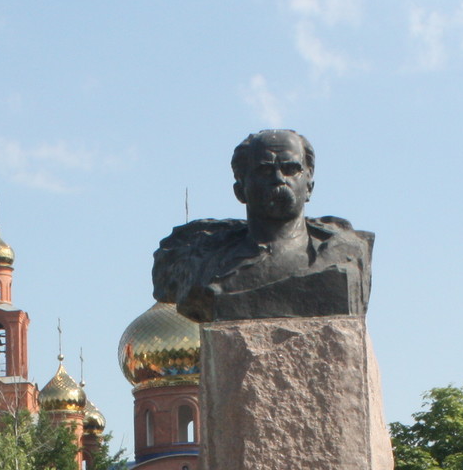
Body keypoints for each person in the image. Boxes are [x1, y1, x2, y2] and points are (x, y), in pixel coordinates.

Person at [153, 128, 373, 324]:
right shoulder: (205, 265)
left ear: (309, 187)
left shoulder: (343, 255)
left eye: (291, 169)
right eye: (265, 170)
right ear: (240, 190)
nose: (279, 178)